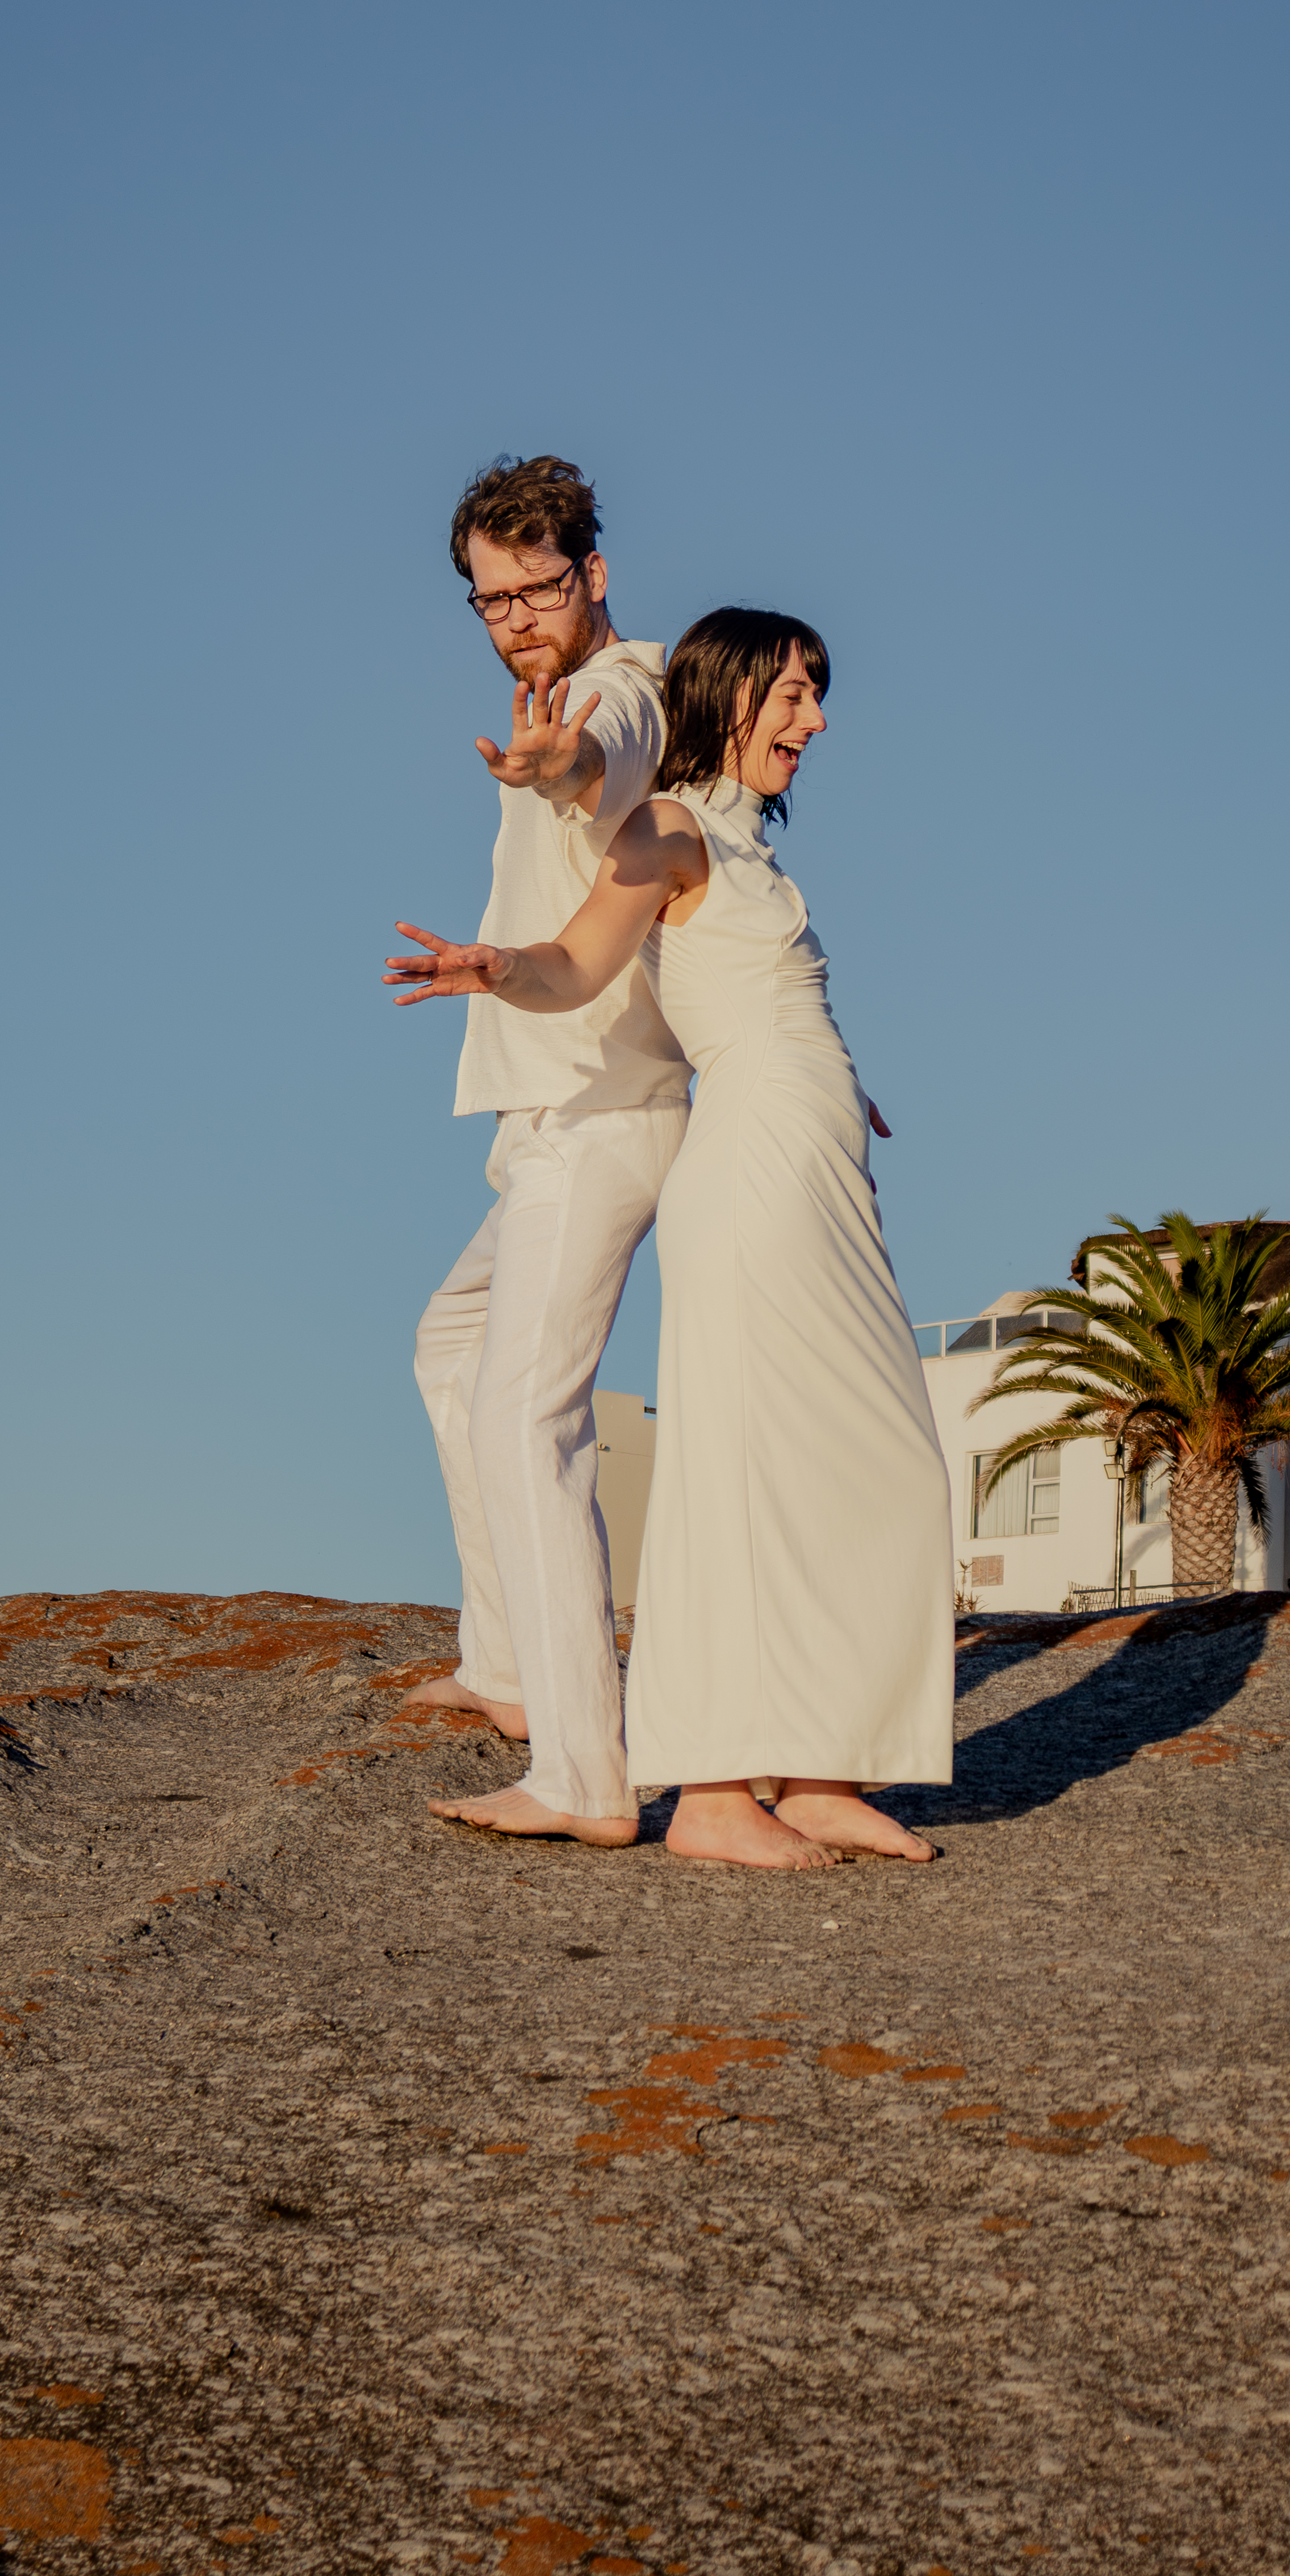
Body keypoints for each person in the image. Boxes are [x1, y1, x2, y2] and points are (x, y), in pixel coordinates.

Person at [388, 608, 954, 1870]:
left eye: (816, 694)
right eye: (792, 694)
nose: (815, 720)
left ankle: (817, 1773)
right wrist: (499, 968)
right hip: (750, 1170)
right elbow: (579, 960)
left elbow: (765, 997)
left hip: (814, 1164)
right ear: (729, 695)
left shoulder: (750, 844)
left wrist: (833, 1077)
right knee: (743, 1466)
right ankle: (710, 1793)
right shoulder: (668, 825)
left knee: (876, 1465)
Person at [404, 455, 691, 1846]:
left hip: (603, 1113)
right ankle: (509, 1665)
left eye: (536, 587)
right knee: (452, 1346)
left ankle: (585, 1769)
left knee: (533, 1418)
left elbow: (605, 760)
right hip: (549, 1114)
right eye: (490, 598)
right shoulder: (557, 686)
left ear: (592, 572)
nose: (515, 616)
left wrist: (558, 762)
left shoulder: (626, 687)